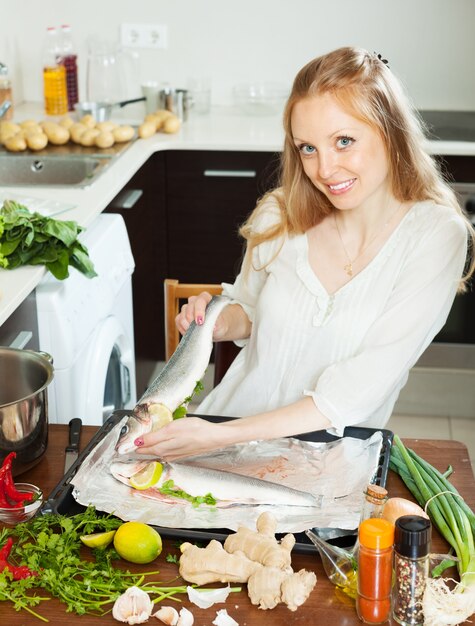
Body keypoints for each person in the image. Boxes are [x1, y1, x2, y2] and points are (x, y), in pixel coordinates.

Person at [135, 46, 475, 460]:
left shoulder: (436, 236)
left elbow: (357, 392)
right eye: (307, 148)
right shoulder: (281, 213)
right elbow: (250, 309)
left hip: (327, 462)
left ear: (390, 132)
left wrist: (218, 436)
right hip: (222, 430)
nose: (324, 170)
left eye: (344, 142)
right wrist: (219, 323)